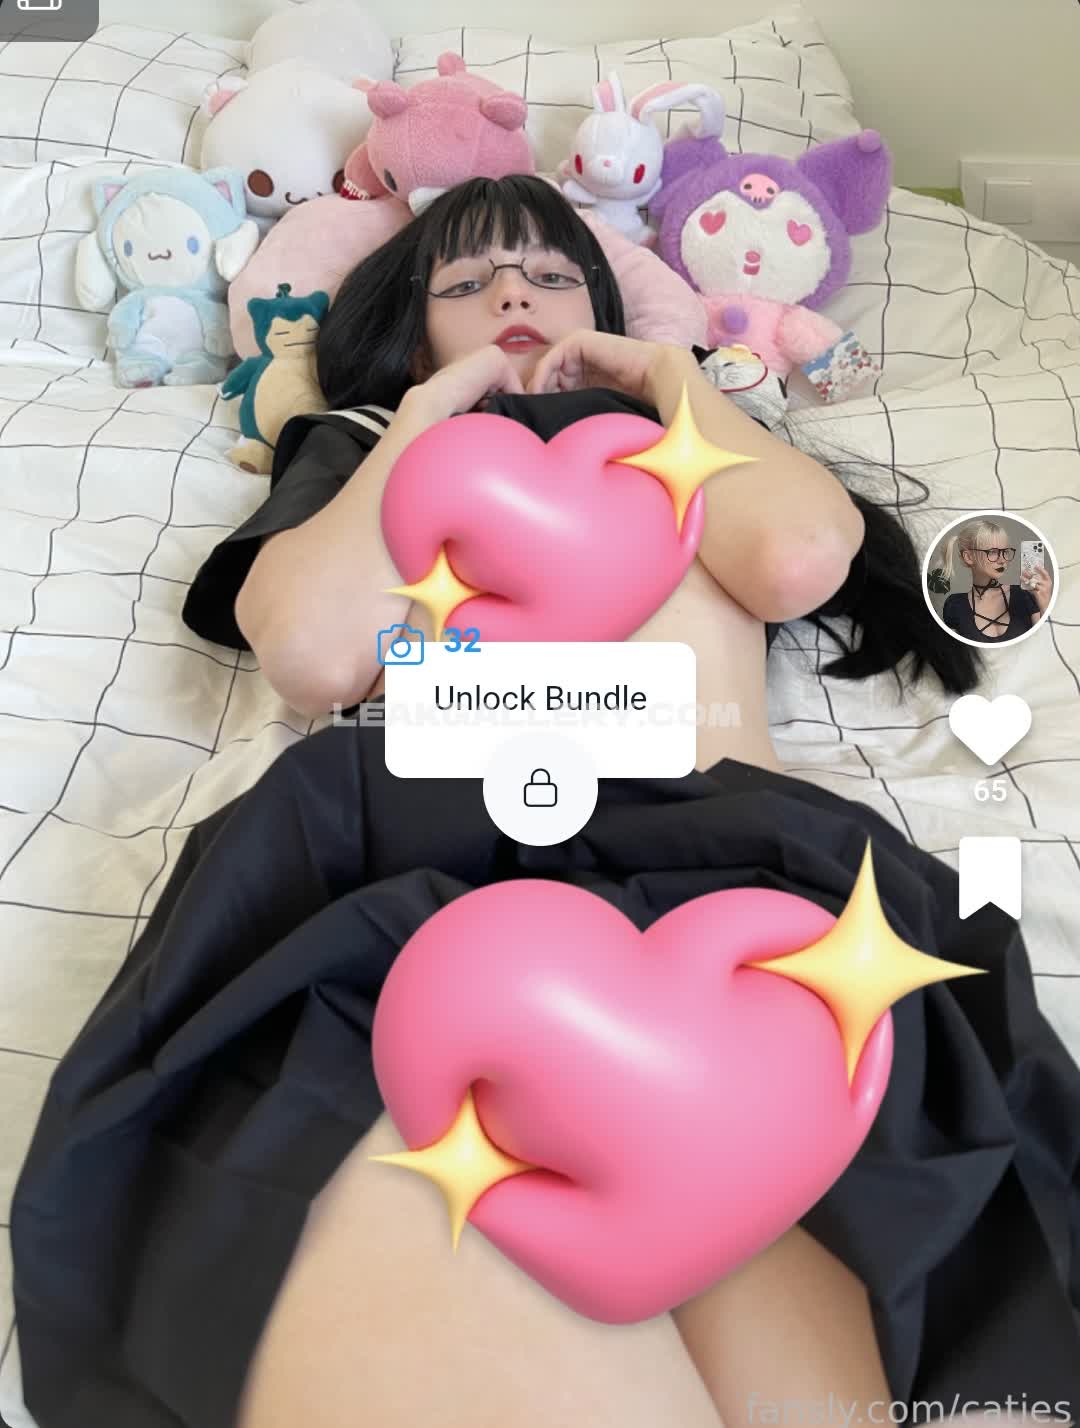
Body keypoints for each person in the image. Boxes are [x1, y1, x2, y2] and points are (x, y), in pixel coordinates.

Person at [9, 177, 1080, 1428]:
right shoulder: (371, 439)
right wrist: (417, 419)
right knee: (377, 1187)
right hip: (417, 867)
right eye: (465, 283)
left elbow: (795, 559)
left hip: (730, 865)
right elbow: (309, 649)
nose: (513, 290)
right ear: (411, 332)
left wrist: (671, 377)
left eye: (553, 274)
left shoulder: (681, 433)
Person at [938, 519, 1053, 643]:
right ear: (969, 557)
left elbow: (1045, 644)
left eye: (1005, 552)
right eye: (993, 552)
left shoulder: (1024, 595)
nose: (1003, 560)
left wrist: (1045, 605)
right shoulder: (954, 606)